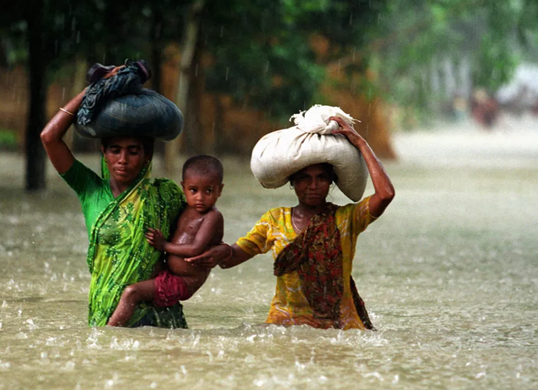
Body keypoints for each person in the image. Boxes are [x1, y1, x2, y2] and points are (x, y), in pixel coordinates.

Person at [187, 116, 394, 330]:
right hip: (285, 326)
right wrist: (219, 251)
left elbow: (386, 194)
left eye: (321, 178)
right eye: (304, 178)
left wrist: (361, 143)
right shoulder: (275, 220)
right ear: (292, 182)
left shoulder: (346, 219)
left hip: (338, 327)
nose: (313, 186)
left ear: (330, 182)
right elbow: (230, 259)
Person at [40, 67, 187, 328]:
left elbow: (194, 235)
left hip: (155, 319)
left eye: (133, 151)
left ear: (147, 156)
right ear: (103, 152)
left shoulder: (165, 195)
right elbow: (49, 137)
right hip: (104, 310)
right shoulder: (90, 190)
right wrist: (95, 89)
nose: (123, 160)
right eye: (115, 150)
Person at [107, 155, 225, 326]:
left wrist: (164, 245)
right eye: (193, 190)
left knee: (131, 292)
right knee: (133, 270)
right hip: (169, 271)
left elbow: (195, 249)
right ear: (183, 187)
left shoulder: (212, 216)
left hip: (183, 281)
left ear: (220, 190)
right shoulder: (185, 208)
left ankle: (107, 333)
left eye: (208, 191)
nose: (200, 197)